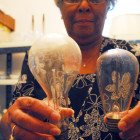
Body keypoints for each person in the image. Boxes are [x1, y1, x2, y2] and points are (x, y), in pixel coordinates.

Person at [0, 0, 140, 139]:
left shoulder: (132, 56)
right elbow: (15, 116)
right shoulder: (38, 56)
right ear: (60, 6)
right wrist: (9, 126)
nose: (84, 6)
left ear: (109, 5)